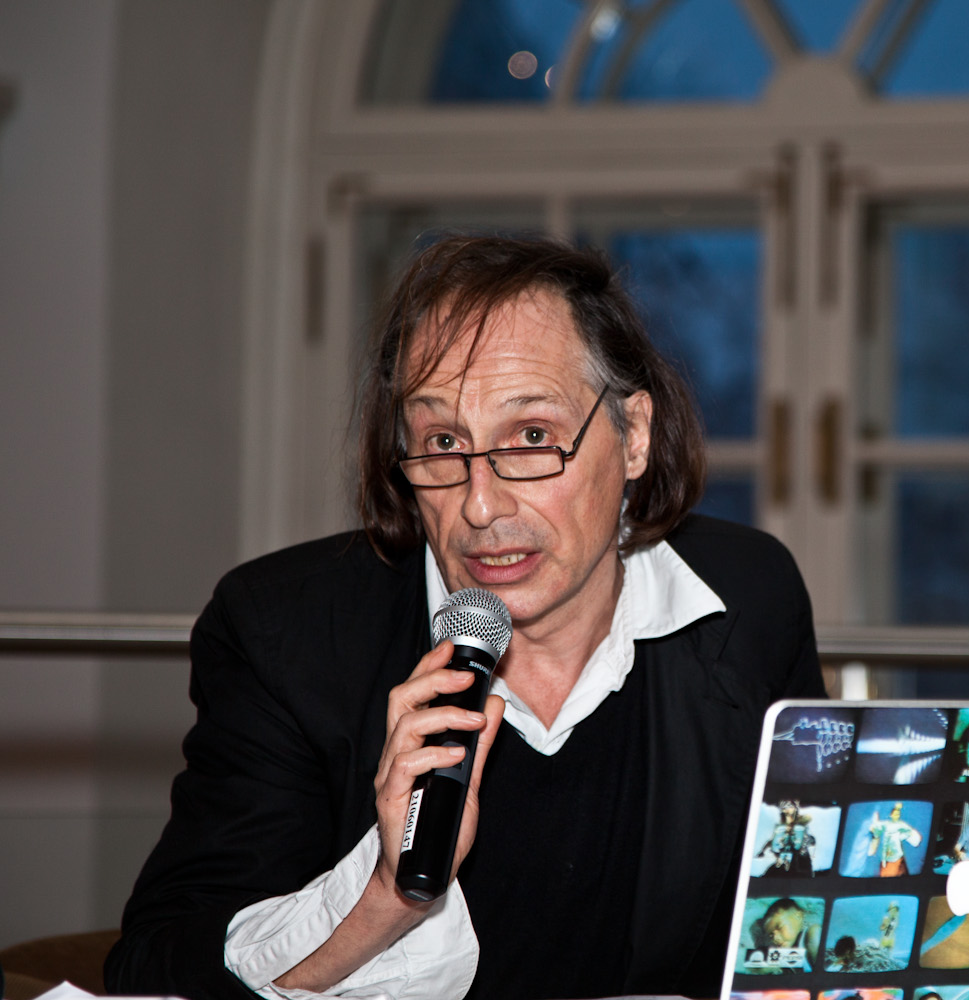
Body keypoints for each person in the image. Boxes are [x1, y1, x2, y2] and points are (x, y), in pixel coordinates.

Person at [105, 236, 826, 1000]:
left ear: (635, 435)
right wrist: (388, 893)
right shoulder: (287, 636)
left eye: (532, 437)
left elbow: (804, 908)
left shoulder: (745, 599)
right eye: (444, 443)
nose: (480, 505)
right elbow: (156, 972)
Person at [866, 802, 923, 876]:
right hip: (887, 861)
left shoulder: (901, 825)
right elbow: (875, 833)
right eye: (895, 814)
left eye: (898, 814)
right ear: (891, 814)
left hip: (896, 860)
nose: (897, 816)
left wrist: (905, 836)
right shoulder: (884, 824)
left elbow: (914, 837)